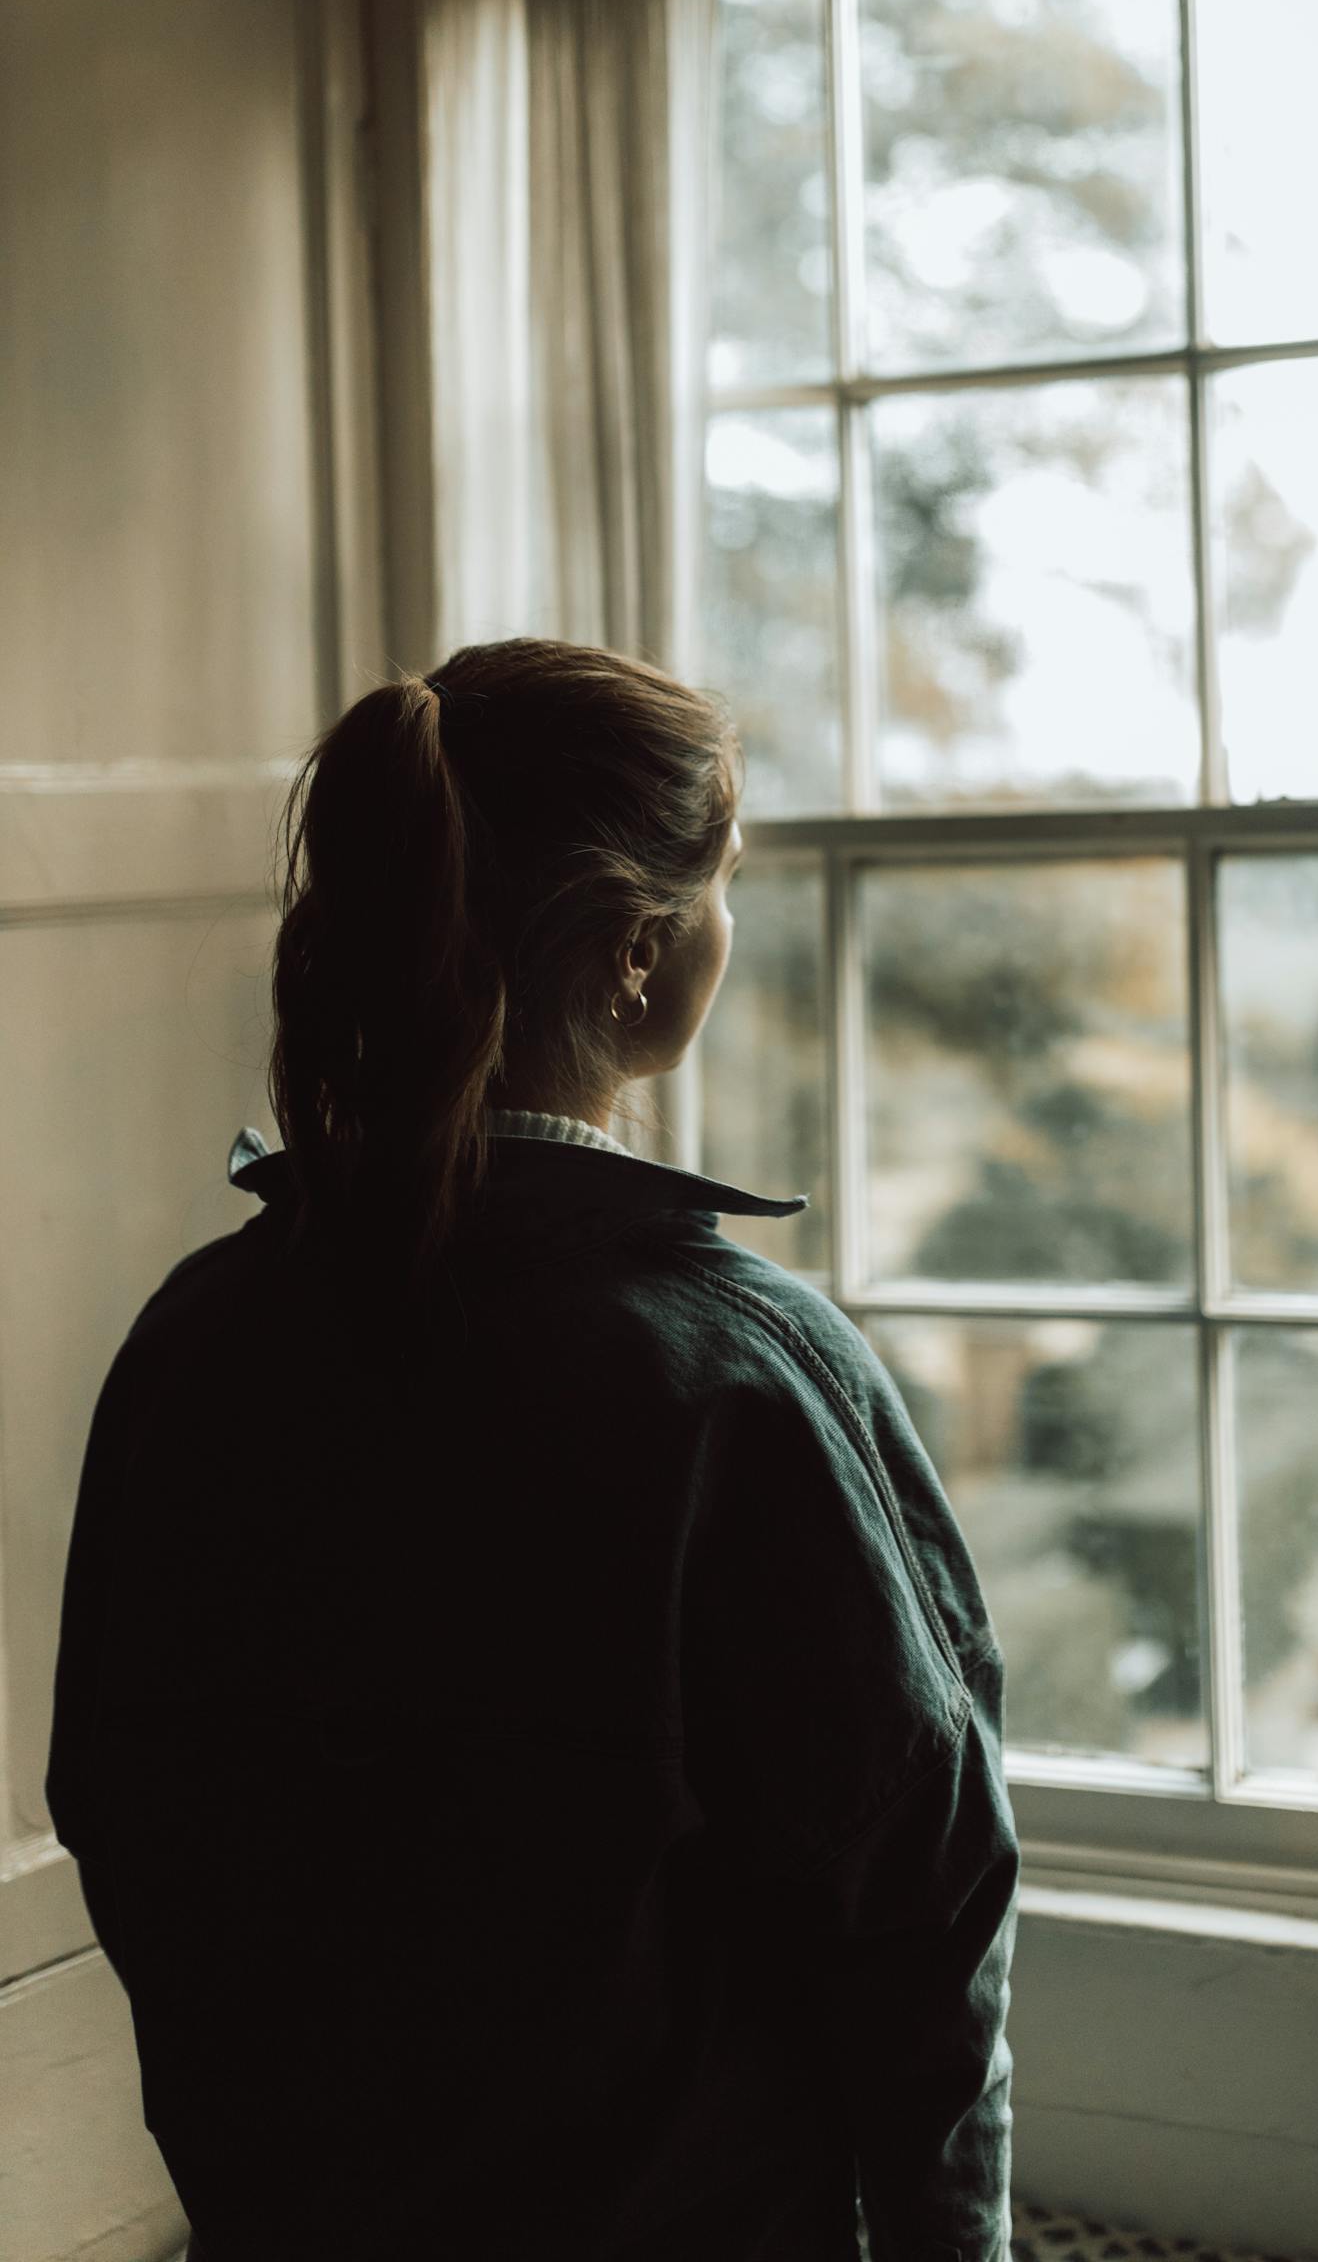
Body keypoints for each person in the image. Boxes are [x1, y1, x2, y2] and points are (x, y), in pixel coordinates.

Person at [46, 637, 1018, 2262]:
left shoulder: (200, 1333)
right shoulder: (742, 1377)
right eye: (721, 890)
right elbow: (918, 1894)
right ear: (641, 955)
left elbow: (121, 1798)